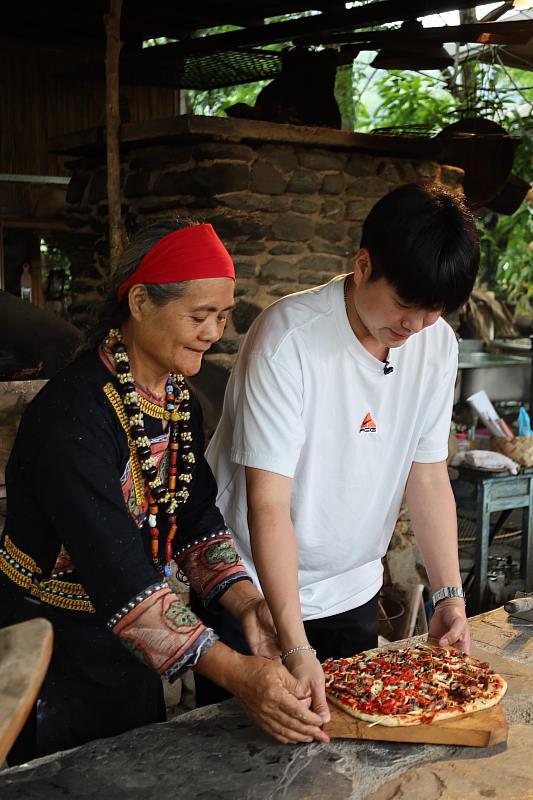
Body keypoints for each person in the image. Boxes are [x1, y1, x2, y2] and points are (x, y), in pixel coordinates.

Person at [0, 220, 329, 765]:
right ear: (139, 302)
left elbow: (195, 519)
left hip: (131, 648)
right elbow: (119, 573)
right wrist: (238, 673)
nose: (212, 332)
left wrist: (248, 606)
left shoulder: (177, 400)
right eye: (199, 315)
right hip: (46, 651)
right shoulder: (72, 415)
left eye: (221, 317)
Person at [206, 183, 480, 722]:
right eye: (405, 304)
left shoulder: (437, 344)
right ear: (362, 265)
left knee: (349, 748)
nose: (415, 326)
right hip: (253, 597)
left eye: (433, 311)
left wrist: (450, 595)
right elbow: (268, 506)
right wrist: (294, 645)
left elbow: (426, 478)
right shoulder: (288, 341)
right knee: (247, 760)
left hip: (351, 588)